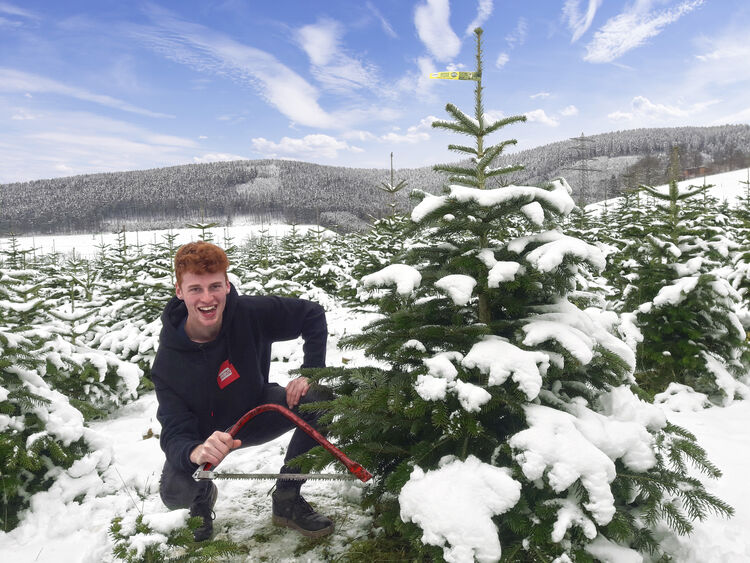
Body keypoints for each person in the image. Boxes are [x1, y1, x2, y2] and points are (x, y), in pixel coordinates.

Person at [151, 240, 334, 542]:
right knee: (174, 494)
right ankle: (201, 495)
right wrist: (196, 451)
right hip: (205, 439)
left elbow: (312, 314)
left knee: (321, 400)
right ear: (179, 291)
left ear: (227, 285)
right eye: (196, 289)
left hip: (255, 412)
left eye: (215, 286)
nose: (207, 298)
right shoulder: (168, 361)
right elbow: (173, 431)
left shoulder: (249, 313)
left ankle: (287, 499)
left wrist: (310, 373)